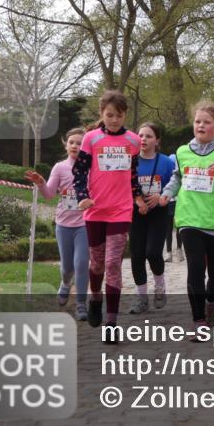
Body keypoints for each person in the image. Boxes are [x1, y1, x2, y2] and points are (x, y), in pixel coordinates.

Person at [160, 101, 214, 334]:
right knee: (196, 269)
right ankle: (198, 320)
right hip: (189, 219)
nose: (200, 125)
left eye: (206, 122)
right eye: (197, 121)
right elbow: (177, 178)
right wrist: (168, 192)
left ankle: (211, 301)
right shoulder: (182, 152)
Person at [72, 90, 143, 342]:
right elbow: (79, 173)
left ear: (125, 115)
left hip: (121, 210)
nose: (114, 120)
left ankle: (111, 323)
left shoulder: (133, 141)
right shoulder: (91, 139)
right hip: (95, 210)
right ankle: (95, 297)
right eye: (110, 115)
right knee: (97, 263)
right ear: (102, 114)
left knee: (113, 263)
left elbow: (133, 175)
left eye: (119, 115)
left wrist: (138, 197)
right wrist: (82, 196)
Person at [25, 127, 89, 321]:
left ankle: (80, 304)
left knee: (81, 264)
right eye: (71, 142)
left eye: (79, 143)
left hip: (85, 224)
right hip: (63, 224)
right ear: (66, 145)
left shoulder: (91, 167)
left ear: (85, 146)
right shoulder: (60, 167)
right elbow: (49, 195)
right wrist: (41, 183)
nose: (75, 146)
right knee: (67, 267)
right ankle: (65, 283)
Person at [129, 122, 175, 315]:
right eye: (140, 135)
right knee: (137, 255)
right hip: (136, 212)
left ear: (157, 141)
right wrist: (137, 201)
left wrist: (162, 196)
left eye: (148, 136)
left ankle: (160, 286)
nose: (143, 139)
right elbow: (123, 185)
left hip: (158, 213)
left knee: (153, 253)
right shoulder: (130, 161)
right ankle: (142, 299)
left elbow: (175, 184)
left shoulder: (167, 162)